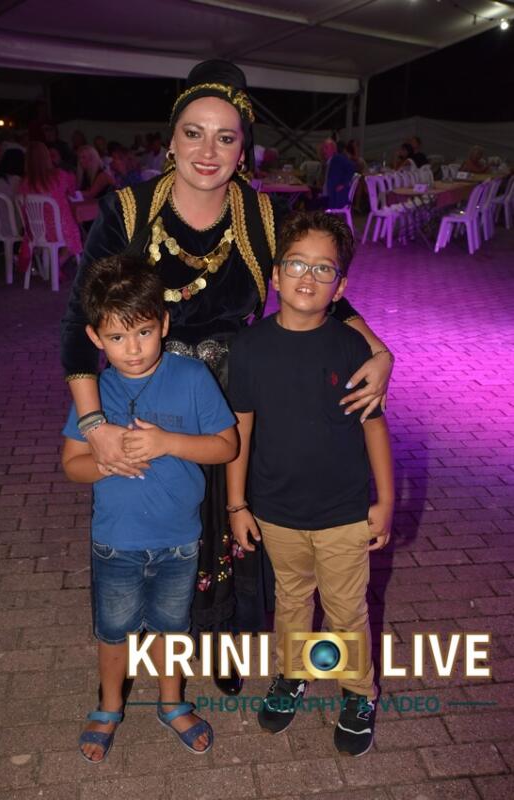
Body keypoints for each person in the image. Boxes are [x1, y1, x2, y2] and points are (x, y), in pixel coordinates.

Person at [61, 59, 393, 693]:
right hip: (154, 393)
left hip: (238, 393)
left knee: (235, 522)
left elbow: (316, 284)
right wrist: (94, 421)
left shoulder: (261, 216)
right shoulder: (128, 211)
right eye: (193, 133)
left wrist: (380, 351)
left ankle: (225, 646)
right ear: (171, 140)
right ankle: (160, 647)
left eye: (225, 137)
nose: (207, 151)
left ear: (244, 149)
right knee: (162, 513)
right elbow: (79, 317)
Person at [226, 210, 394, 756]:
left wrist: (386, 500)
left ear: (340, 287)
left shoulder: (351, 347)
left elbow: (374, 427)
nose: (308, 276)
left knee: (346, 610)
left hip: (344, 511)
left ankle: (358, 692)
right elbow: (241, 427)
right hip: (276, 508)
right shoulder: (249, 348)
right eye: (296, 264)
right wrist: (236, 503)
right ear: (275, 275)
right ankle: (292, 674)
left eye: (324, 269)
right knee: (292, 598)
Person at [62, 255, 237, 763]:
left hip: (178, 541)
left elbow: (226, 446)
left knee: (172, 628)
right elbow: (71, 464)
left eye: (143, 332)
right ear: (95, 338)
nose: (133, 349)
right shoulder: (95, 393)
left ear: (163, 322)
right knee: (113, 632)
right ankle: (109, 706)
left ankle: (171, 702)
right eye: (117, 337)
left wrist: (167, 443)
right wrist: (105, 461)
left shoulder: (192, 377)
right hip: (116, 541)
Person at [18, 141, 82, 265]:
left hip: (35, 231)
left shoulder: (23, 183)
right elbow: (72, 192)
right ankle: (57, 265)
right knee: (73, 232)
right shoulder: (60, 176)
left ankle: (50, 266)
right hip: (59, 229)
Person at [325, 141, 356, 209]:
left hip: (336, 197)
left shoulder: (338, 159)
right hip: (332, 196)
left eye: (326, 148)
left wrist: (344, 183)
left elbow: (351, 166)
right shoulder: (332, 160)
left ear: (334, 149)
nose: (324, 151)